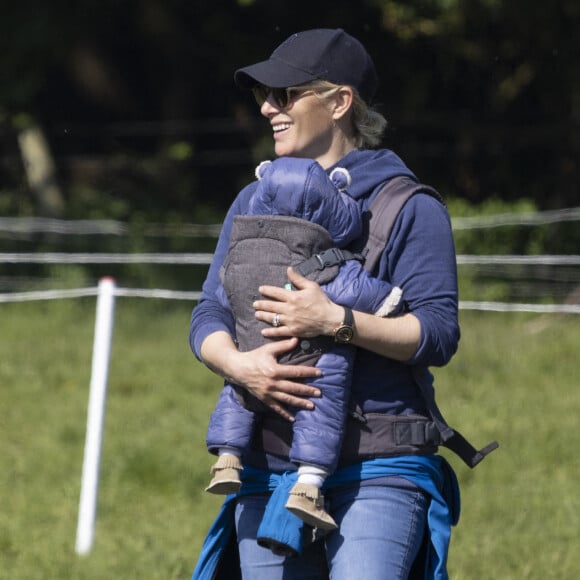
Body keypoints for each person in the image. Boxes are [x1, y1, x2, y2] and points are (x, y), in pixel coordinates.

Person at [190, 27, 494, 580]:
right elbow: (210, 311)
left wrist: (337, 321)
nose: (266, 108)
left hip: (379, 469)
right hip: (265, 468)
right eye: (264, 96)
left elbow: (437, 333)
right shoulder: (251, 199)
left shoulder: (409, 205)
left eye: (284, 95)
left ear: (339, 103)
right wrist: (237, 365)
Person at [204, 155, 404, 532]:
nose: (269, 106)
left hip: (251, 350)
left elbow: (217, 298)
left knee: (237, 393)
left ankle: (227, 457)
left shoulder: (241, 252)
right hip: (306, 361)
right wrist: (389, 302)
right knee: (321, 398)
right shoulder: (323, 260)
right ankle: (309, 485)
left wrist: (239, 364)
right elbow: (366, 293)